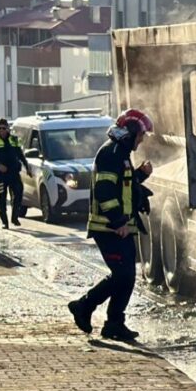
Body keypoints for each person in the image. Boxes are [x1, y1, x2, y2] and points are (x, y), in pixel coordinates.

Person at [67, 109, 154, 342]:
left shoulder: (120, 153)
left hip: (118, 227)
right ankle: (84, 306)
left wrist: (140, 176)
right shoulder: (111, 154)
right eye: (140, 135)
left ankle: (114, 323)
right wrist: (118, 222)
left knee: (126, 276)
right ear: (129, 133)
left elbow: (122, 185)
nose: (142, 140)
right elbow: (106, 192)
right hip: (108, 228)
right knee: (122, 274)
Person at [0, 118, 30, 229]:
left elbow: (20, 154)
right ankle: (5, 222)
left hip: (14, 173)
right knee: (2, 198)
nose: (1, 131)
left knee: (18, 193)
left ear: (8, 129)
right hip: (1, 175)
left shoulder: (14, 139)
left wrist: (26, 166)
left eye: (4, 128)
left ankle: (14, 217)